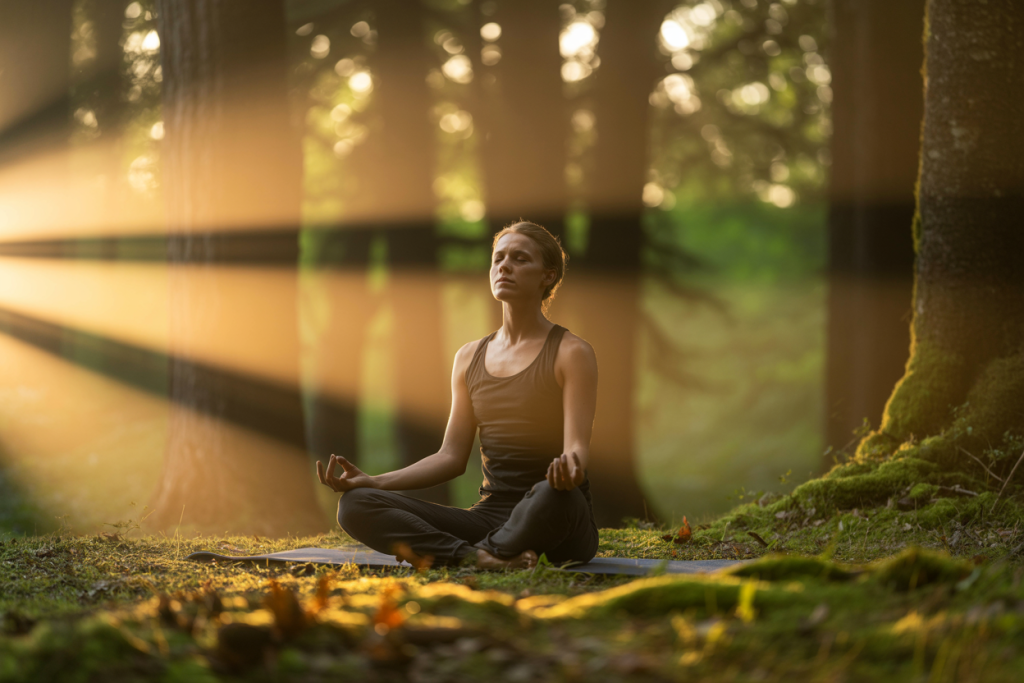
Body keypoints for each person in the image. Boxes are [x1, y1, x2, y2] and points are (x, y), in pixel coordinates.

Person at [316, 221, 599, 569]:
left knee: (552, 494)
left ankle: (476, 552)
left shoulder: (572, 352)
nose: (504, 266)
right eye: (498, 258)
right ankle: (479, 557)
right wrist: (374, 481)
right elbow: (450, 457)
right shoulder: (468, 357)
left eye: (520, 259)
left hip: (556, 510)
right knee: (356, 503)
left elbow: (577, 448)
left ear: (548, 275)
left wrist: (570, 470)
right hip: (490, 517)